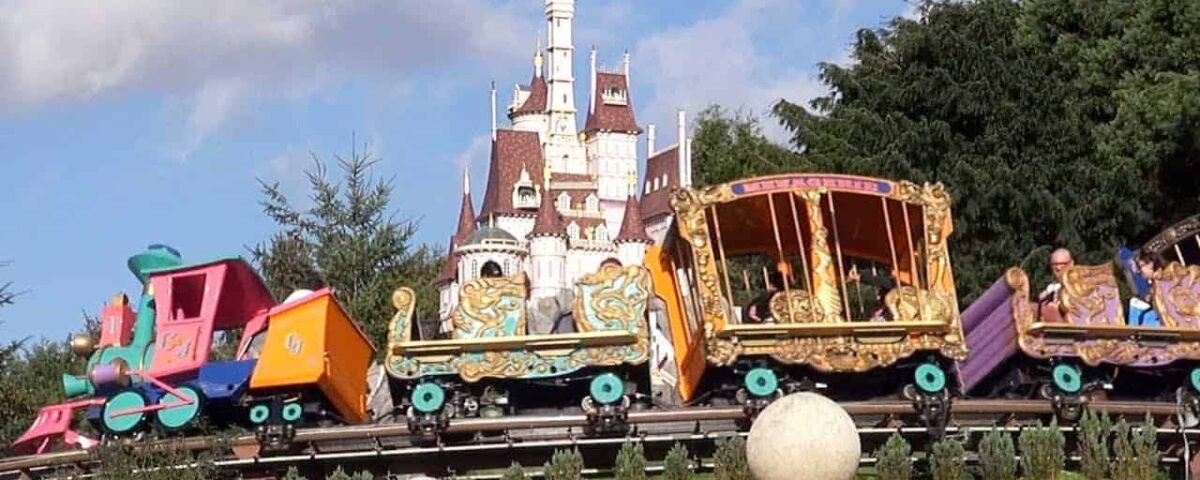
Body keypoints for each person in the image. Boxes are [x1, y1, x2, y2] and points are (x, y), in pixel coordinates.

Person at [1036, 248, 1073, 322]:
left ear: (1071, 264)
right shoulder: (1051, 288)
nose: (1058, 268)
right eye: (1054, 264)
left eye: (1062, 264)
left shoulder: (1079, 286)